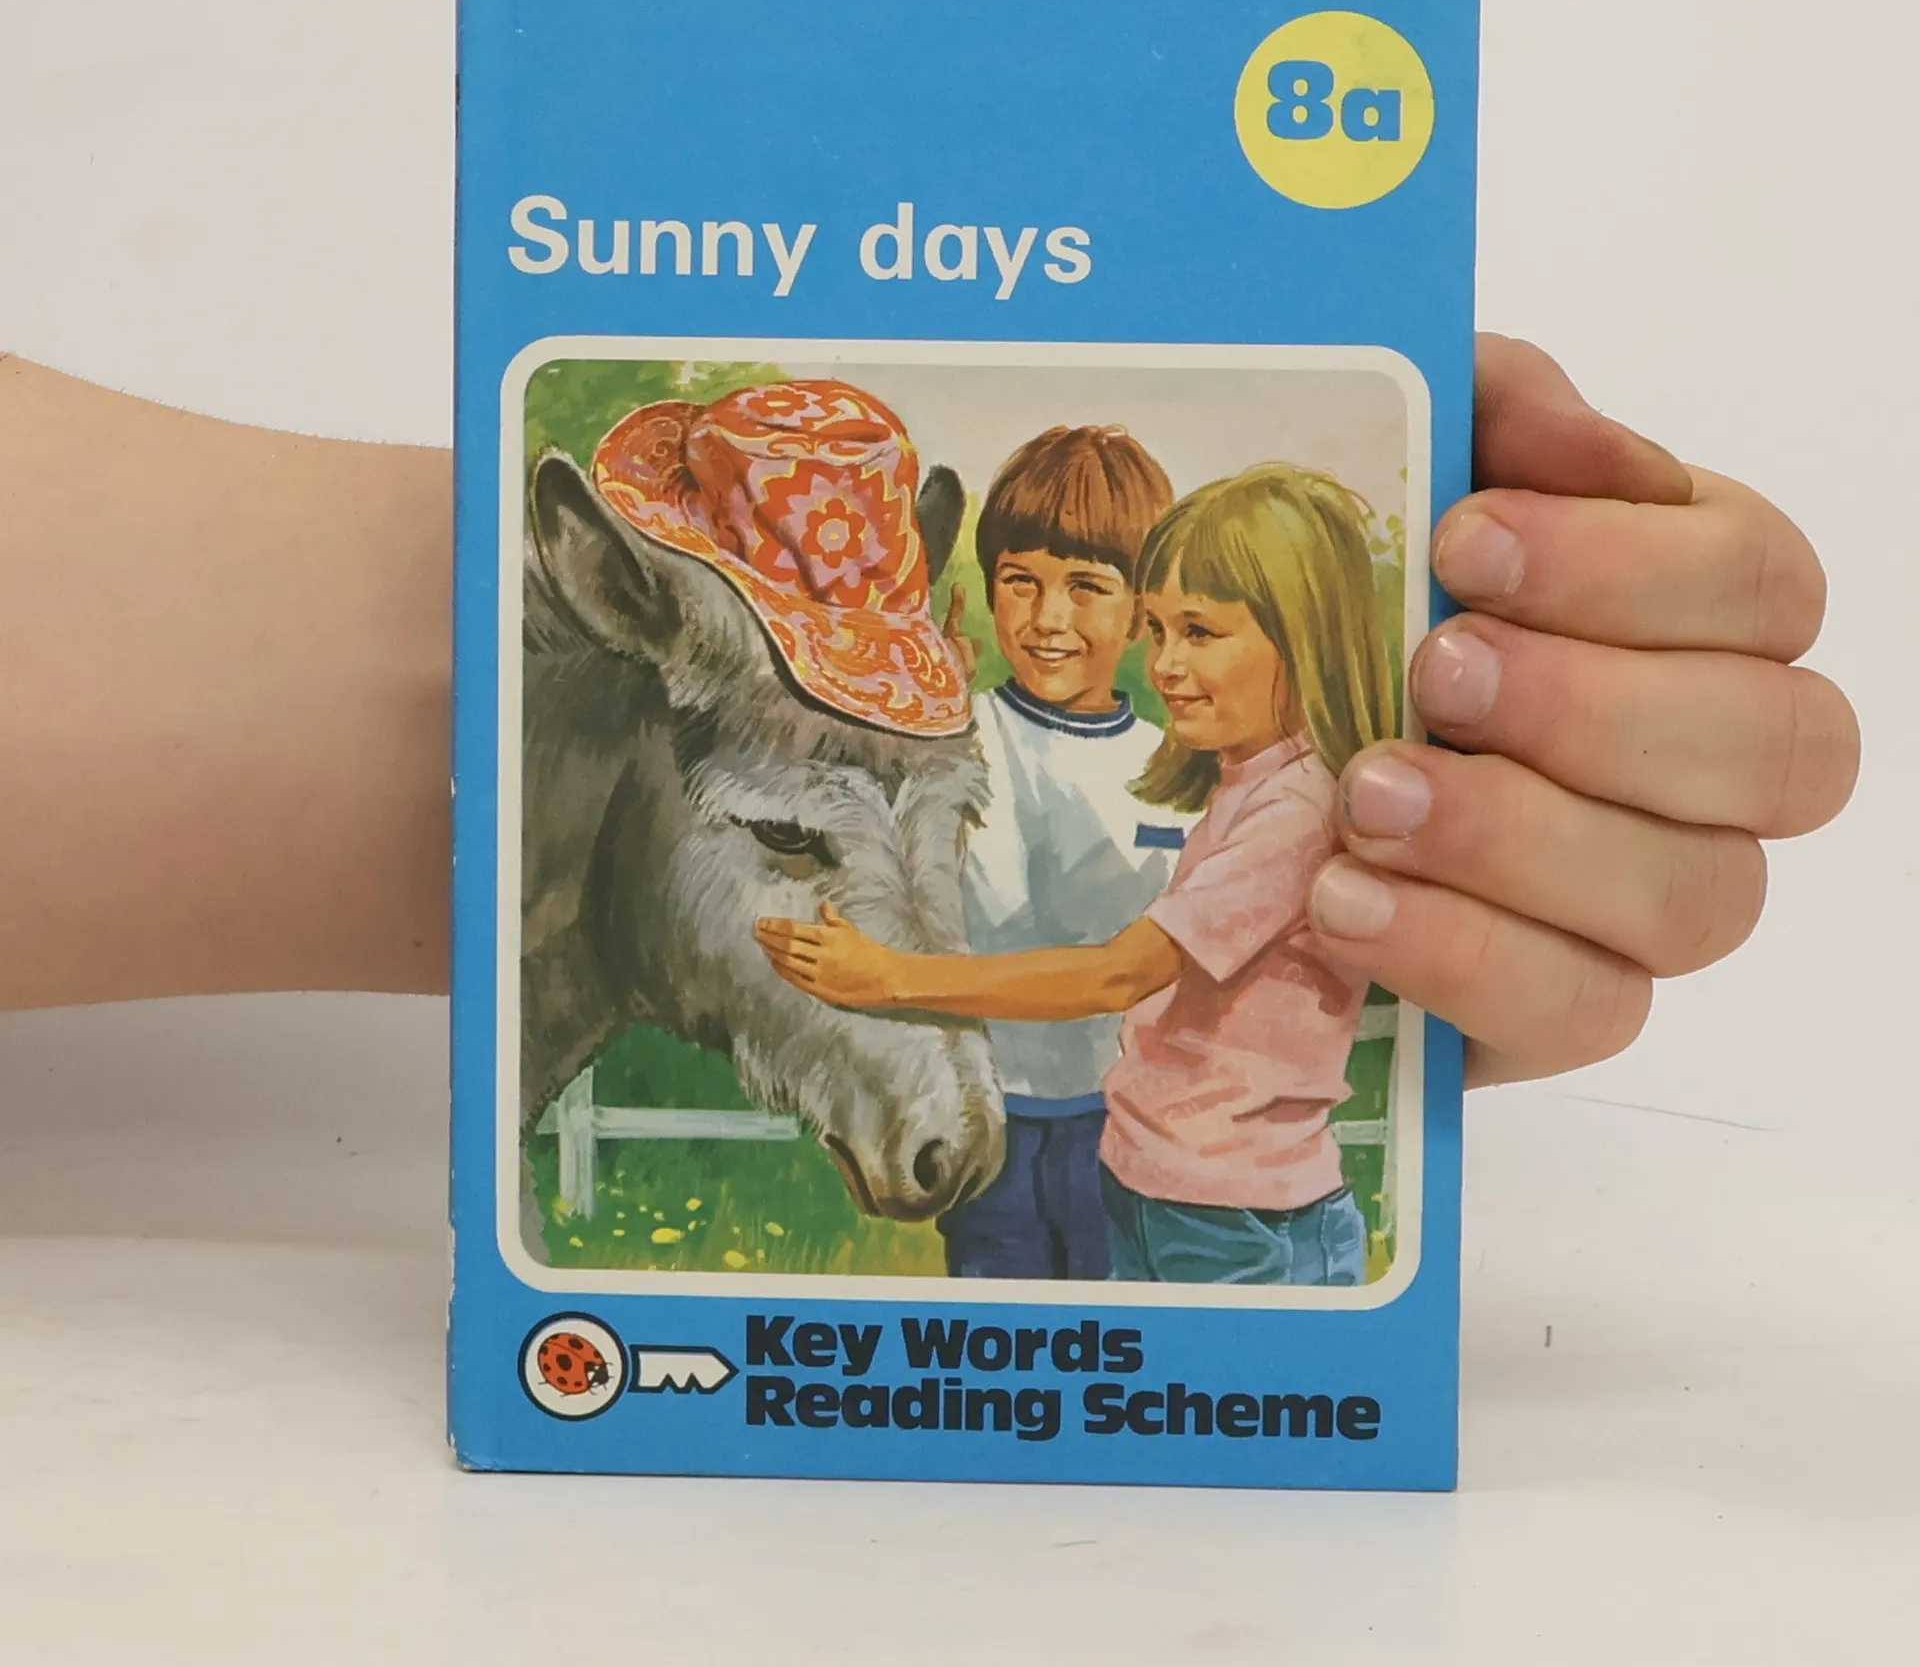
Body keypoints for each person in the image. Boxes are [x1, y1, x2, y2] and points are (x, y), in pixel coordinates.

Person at [0, 341, 1862, 1109]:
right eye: (1024, 585)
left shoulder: (1198, 777)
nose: (1062, 628)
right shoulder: (1032, 747)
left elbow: (1108, 948)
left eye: (1144, 608)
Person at [758, 462, 1395, 1283]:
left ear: (1301, 636)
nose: (1165, 665)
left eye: (1198, 633)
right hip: (1143, 1171)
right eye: (1160, 631)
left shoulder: (1291, 811)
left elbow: (1118, 975)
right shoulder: (1238, 783)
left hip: (1230, 1209)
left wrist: (888, 979)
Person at [935, 424, 1187, 1280]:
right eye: (1021, 582)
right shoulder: (956, 740)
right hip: (987, 1114)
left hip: (1131, 1122)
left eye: (1086, 587)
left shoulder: (1178, 769)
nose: (1048, 619)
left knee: (1121, 1315)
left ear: (1143, 609)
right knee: (998, 1319)